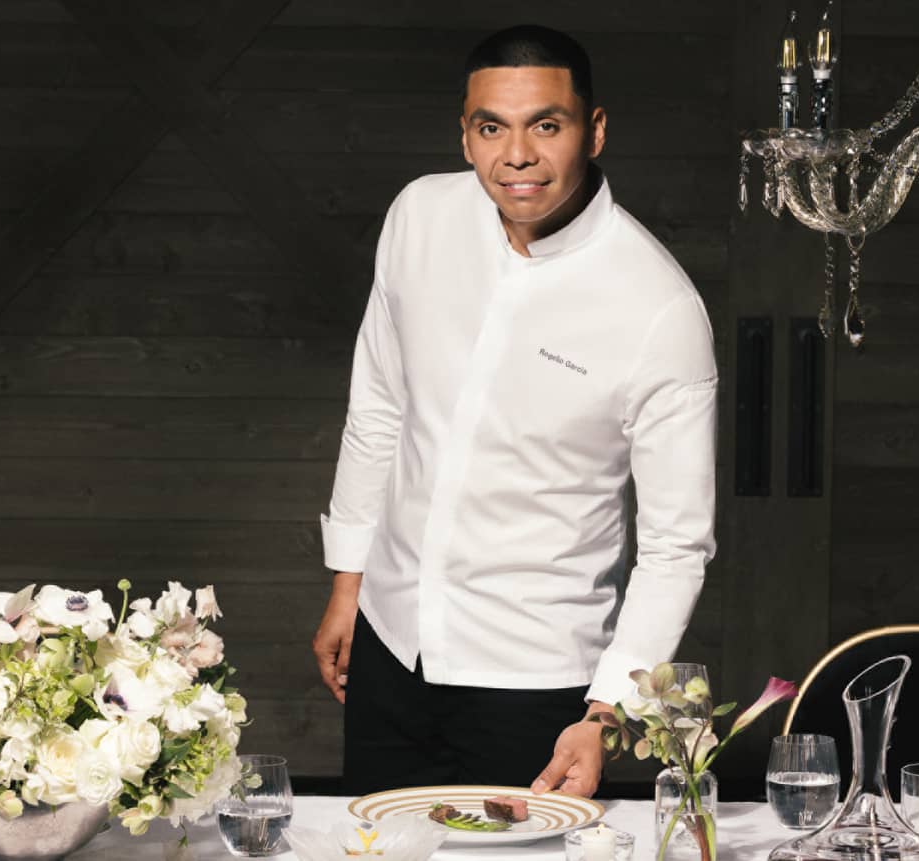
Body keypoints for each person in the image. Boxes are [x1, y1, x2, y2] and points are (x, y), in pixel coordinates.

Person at [311, 24, 717, 799]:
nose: (517, 155)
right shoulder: (419, 216)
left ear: (593, 131)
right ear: (465, 134)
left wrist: (607, 711)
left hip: (533, 685)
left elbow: (676, 545)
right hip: (390, 651)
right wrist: (348, 582)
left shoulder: (660, 308)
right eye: (491, 127)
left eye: (547, 126)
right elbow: (380, 405)